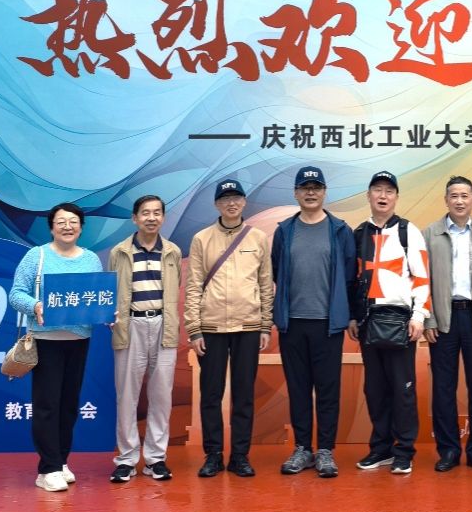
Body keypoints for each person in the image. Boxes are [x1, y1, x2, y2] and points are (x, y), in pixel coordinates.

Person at [9, 202, 104, 492]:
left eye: (73, 221)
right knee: (47, 405)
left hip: (78, 341)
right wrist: (35, 305)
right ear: (51, 227)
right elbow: (16, 294)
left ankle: (61, 461)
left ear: (81, 227)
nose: (67, 226)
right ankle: (47, 469)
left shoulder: (91, 260)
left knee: (68, 405)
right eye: (61, 222)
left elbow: (96, 298)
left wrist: (106, 314)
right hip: (46, 340)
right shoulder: (36, 256)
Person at [271, 165, 357, 478]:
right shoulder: (284, 231)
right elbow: (277, 270)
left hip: (327, 324)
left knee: (327, 390)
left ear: (324, 192)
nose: (310, 192)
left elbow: (349, 276)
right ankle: (302, 448)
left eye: (316, 187)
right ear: (296, 193)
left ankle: (325, 451)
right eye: (305, 188)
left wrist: (349, 315)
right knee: (298, 389)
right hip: (293, 323)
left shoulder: (340, 230)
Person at [185, 179, 274, 479]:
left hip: (248, 326)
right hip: (211, 327)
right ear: (216, 204)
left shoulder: (258, 238)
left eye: (236, 198)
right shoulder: (201, 239)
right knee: (211, 394)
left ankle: (239, 456)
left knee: (244, 394)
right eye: (225, 199)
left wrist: (265, 325)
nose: (231, 203)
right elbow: (193, 285)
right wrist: (194, 329)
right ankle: (213, 455)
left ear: (244, 202)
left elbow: (265, 284)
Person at [349, 171, 431, 476]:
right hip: (368, 321)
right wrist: (353, 316)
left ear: (396, 197)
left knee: (403, 388)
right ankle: (380, 448)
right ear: (368, 195)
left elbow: (422, 277)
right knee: (375, 389)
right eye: (377, 190)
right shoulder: (359, 234)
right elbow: (353, 279)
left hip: (400, 321)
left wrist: (419, 316)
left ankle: (404, 450)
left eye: (389, 191)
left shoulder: (409, 231)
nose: (383, 196)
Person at [423, 175, 472, 473]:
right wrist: (429, 318)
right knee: (443, 388)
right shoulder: (430, 234)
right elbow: (422, 280)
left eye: (464, 195)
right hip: (443, 319)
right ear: (446, 200)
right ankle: (449, 451)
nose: (459, 201)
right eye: (453, 195)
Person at [106, 195, 183, 484]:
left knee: (161, 396)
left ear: (163, 217)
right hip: (131, 325)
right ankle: (126, 459)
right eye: (145, 213)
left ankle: (155, 459)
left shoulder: (173, 251)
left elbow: (175, 289)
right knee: (127, 396)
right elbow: (111, 290)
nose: (151, 218)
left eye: (157, 213)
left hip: (164, 324)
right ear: (135, 218)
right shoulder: (119, 252)